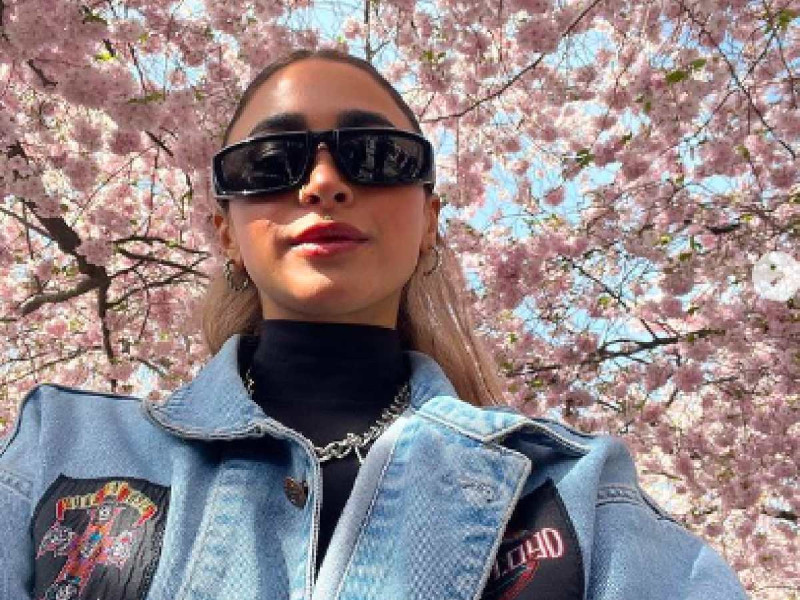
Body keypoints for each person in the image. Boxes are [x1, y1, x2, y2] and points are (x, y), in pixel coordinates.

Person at [0, 48, 747, 600]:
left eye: (377, 156)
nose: (324, 183)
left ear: (430, 221)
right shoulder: (57, 449)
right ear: (225, 230)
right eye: (270, 161)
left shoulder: (571, 493)